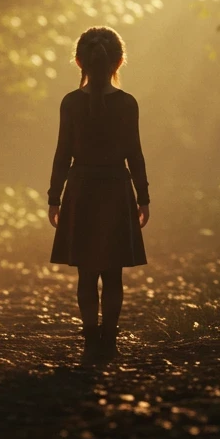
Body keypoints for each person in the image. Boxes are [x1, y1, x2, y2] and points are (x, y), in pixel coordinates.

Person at [47, 26, 151, 365]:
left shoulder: (71, 103)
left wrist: (54, 197)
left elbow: (63, 153)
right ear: (119, 61)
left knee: (87, 273)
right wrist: (143, 196)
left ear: (79, 61)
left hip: (81, 192)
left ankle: (91, 340)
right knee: (113, 273)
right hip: (117, 191)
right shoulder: (126, 104)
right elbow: (134, 153)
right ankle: (109, 341)